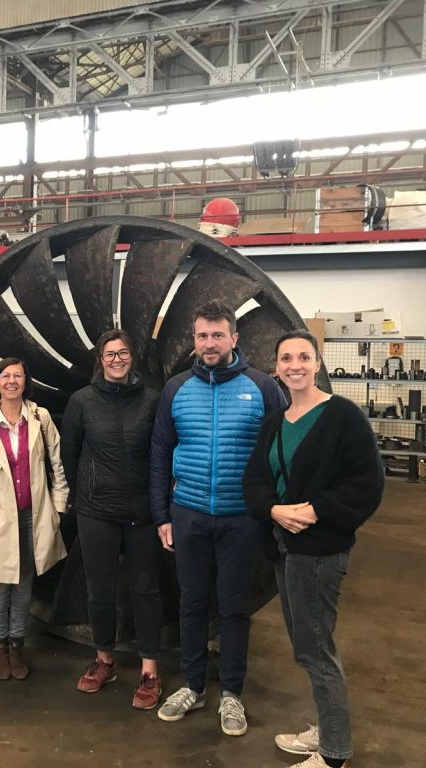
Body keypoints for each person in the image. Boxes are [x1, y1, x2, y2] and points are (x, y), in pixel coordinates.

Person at [242, 330, 383, 768]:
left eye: (304, 357)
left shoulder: (342, 416)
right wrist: (273, 510)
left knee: (316, 650)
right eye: (286, 358)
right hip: (284, 548)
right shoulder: (275, 422)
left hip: (320, 551)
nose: (295, 365)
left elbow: (367, 484)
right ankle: (328, 729)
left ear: (317, 364)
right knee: (308, 646)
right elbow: (254, 481)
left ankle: (334, 753)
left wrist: (316, 510)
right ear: (276, 368)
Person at [150, 300, 285, 736]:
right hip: (188, 514)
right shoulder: (175, 389)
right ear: (194, 340)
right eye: (202, 336)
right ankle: (192, 686)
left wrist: (271, 510)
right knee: (191, 603)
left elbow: (280, 453)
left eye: (217, 335)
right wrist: (162, 515)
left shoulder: (262, 387)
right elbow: (160, 453)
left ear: (234, 338)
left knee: (233, 607)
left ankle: (231, 693)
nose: (209, 343)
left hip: (240, 519)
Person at [60, 329, 165, 711]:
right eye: (110, 354)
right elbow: (70, 456)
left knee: (145, 590)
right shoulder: (81, 402)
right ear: (100, 360)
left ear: (131, 357)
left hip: (142, 514)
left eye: (123, 353)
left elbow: (162, 453)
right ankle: (104, 660)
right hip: (97, 512)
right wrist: (85, 498)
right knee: (99, 591)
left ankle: (149, 670)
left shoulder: (152, 400)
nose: (117, 360)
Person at [0, 357, 68, 680]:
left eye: (18, 376)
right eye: (5, 375)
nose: (11, 381)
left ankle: (17, 646)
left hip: (32, 515)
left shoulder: (40, 418)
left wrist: (58, 507)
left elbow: (57, 464)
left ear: (25, 382)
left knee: (23, 585)